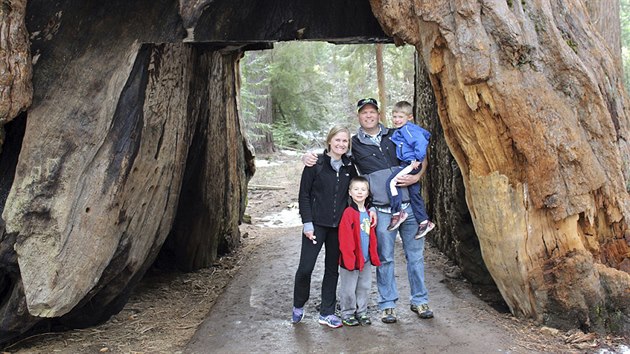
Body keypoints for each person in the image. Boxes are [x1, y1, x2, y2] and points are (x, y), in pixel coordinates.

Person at [303, 98, 434, 324]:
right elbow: (335, 153)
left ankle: (419, 300)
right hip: (383, 210)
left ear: (379, 113)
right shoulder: (354, 144)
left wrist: (418, 175)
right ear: (359, 117)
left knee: (415, 256)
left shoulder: (397, 133)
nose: (369, 116)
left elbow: (421, 153)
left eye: (372, 112)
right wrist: (308, 156)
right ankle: (388, 304)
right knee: (384, 258)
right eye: (364, 113)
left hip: (410, 207)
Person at [292, 125, 358, 328]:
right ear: (330, 141)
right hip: (316, 225)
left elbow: (357, 191)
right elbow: (304, 195)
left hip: (338, 227)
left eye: (345, 141)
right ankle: (298, 305)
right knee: (306, 268)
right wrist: (307, 223)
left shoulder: (349, 166)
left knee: (332, 269)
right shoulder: (315, 164)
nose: (341, 144)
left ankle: (327, 312)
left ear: (348, 144)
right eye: (337, 140)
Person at [385, 101, 436, 239]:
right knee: (414, 193)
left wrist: (417, 160)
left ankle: (397, 213)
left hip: (410, 162)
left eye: (400, 117)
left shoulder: (408, 129)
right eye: (394, 116)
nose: (396, 120)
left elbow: (420, 142)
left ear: (410, 117)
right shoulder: (401, 131)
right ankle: (424, 222)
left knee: (391, 183)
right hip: (409, 162)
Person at [337, 176, 381, 326]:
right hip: (351, 259)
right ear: (350, 192)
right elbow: (345, 238)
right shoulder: (348, 213)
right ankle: (347, 313)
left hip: (365, 258)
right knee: (349, 288)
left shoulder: (369, 213)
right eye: (356, 189)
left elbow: (371, 237)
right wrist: (349, 258)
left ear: (368, 193)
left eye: (363, 189)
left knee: (364, 286)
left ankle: (362, 312)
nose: (360, 192)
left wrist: (372, 254)